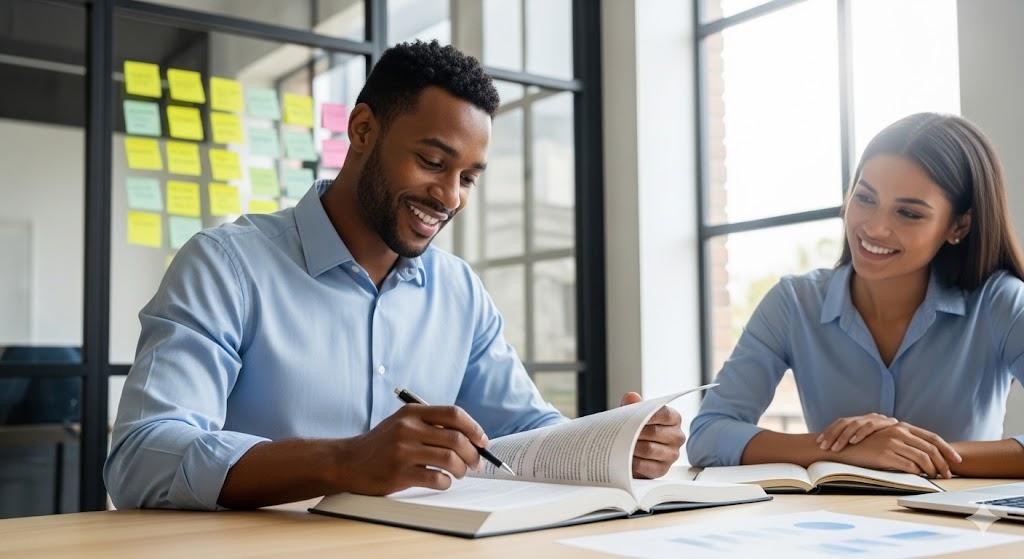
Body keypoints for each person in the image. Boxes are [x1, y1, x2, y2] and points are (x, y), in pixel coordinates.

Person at [105, 41, 684, 511]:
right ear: (362, 131)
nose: (449, 196)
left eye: (468, 178)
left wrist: (613, 444)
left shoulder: (459, 292)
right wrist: (344, 461)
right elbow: (141, 456)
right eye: (432, 162)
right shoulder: (226, 266)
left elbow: (526, 434)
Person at [687, 113, 1024, 478]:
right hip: (837, 525)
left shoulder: (1002, 302)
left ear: (958, 225)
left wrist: (915, 453)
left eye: (908, 213)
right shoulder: (793, 303)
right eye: (865, 198)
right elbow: (708, 434)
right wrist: (846, 450)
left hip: (967, 530)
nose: (875, 227)